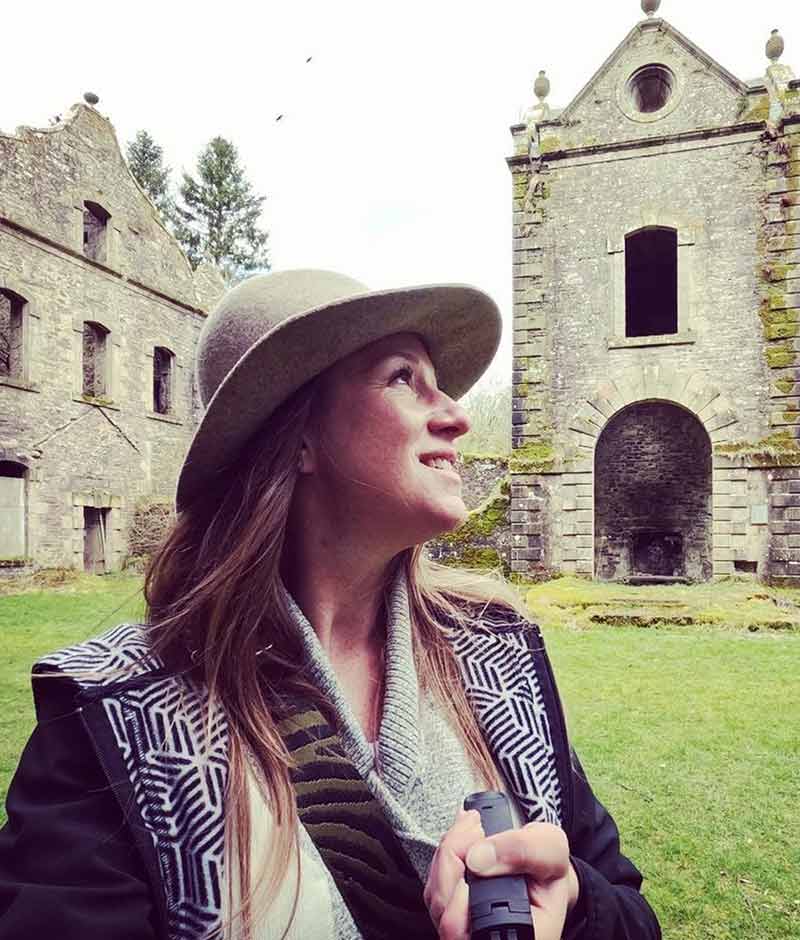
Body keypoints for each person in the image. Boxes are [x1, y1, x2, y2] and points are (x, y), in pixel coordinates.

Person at [0, 270, 661, 940]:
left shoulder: (501, 657)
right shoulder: (117, 714)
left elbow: (631, 910)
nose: (458, 415)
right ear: (299, 437)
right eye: (403, 378)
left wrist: (577, 902)